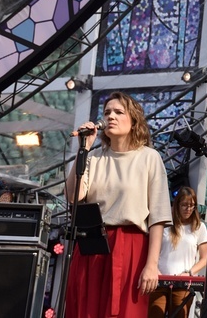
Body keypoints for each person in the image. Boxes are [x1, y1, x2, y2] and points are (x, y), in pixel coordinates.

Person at [65, 91, 172, 317]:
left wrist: (152, 265)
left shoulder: (149, 158)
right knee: (87, 310)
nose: (110, 116)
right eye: (107, 112)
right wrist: (83, 149)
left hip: (131, 244)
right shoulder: (94, 158)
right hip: (92, 245)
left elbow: (158, 217)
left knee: (125, 312)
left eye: (118, 112)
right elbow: (74, 197)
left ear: (133, 121)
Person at [148, 186, 207, 318]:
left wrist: (190, 272)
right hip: (159, 280)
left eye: (192, 206)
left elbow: (205, 257)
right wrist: (153, 268)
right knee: (155, 313)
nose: (188, 209)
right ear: (177, 205)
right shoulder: (165, 225)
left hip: (184, 283)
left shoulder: (199, 227)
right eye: (184, 205)